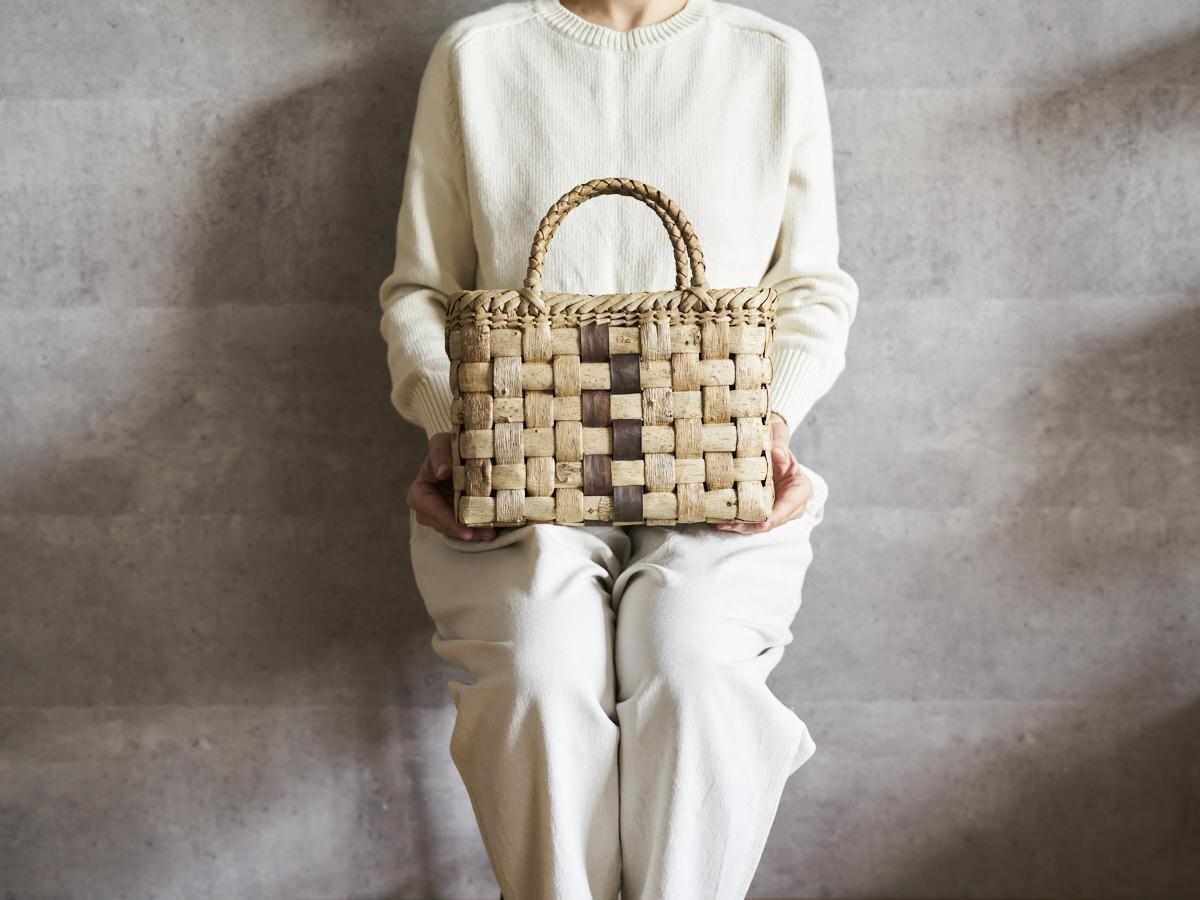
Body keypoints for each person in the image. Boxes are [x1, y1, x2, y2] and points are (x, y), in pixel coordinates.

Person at [377, 0, 859, 897]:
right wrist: (452, 425)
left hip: (711, 473)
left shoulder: (770, 58)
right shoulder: (481, 55)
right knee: (538, 674)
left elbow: (810, 287)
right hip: (522, 476)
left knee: (695, 670)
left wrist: (771, 422)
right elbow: (421, 291)